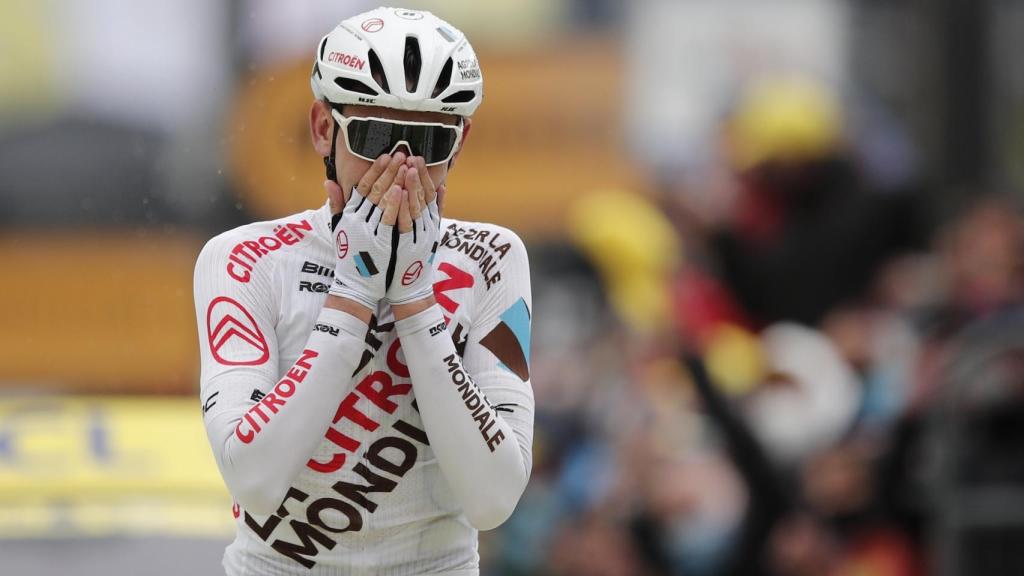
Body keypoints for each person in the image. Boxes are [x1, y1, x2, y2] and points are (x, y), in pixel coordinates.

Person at [193, 7, 534, 574]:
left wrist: (416, 299)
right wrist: (351, 295)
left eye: (428, 141)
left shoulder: (492, 259)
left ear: (462, 141)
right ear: (323, 128)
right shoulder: (244, 260)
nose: (400, 169)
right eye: (375, 136)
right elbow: (252, 479)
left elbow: (494, 498)